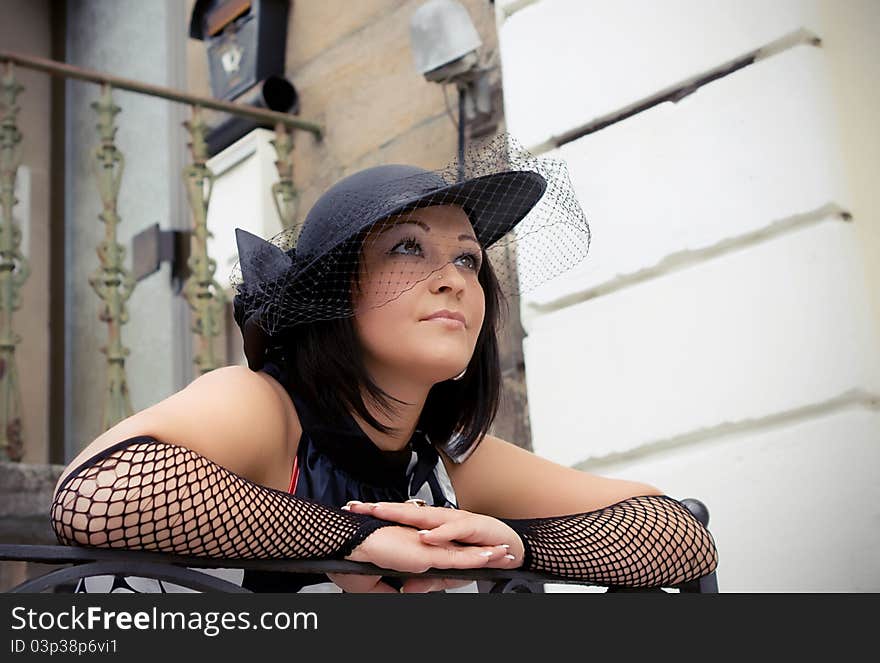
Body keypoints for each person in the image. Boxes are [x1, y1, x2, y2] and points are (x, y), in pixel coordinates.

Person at [50, 133, 718, 593]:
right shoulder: (259, 406)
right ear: (334, 294)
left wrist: (506, 542)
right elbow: (97, 492)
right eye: (407, 247)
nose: (454, 277)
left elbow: (677, 533)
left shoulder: (445, 461)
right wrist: (356, 535)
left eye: (467, 258)